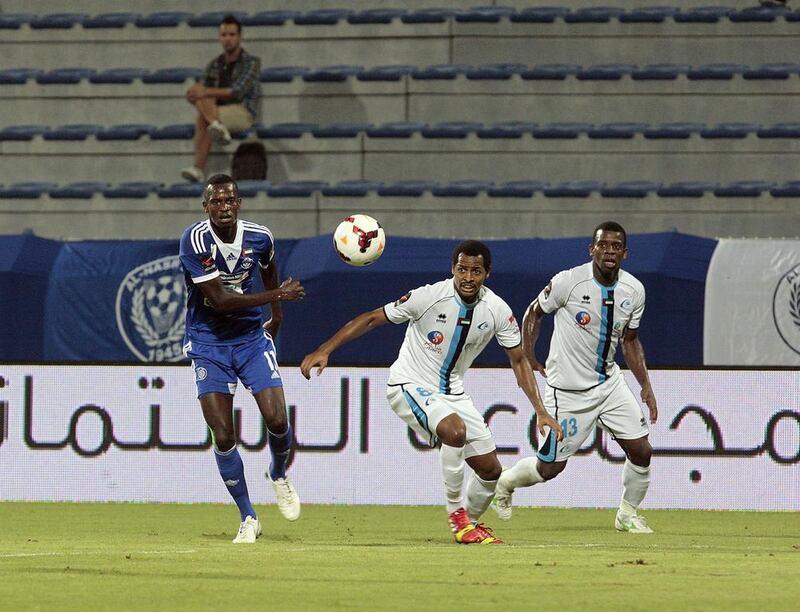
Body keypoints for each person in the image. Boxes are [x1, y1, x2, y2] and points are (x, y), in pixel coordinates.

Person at [300, 240, 563, 544]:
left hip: (453, 393)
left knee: (491, 470)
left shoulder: (497, 311)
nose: (467, 277)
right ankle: (458, 518)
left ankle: (471, 524)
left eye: (475, 271)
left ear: (487, 274)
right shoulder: (428, 296)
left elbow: (518, 360)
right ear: (453, 269)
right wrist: (325, 349)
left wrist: (540, 409)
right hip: (408, 384)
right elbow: (373, 318)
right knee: (454, 431)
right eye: (462, 269)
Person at [492, 221, 658, 533]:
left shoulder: (634, 290)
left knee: (642, 450)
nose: (609, 251)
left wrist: (645, 384)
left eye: (615, 246)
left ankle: (627, 514)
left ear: (625, 252)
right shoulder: (569, 281)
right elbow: (533, 313)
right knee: (550, 468)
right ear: (592, 250)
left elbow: (631, 340)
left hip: (609, 384)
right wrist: (528, 355)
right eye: (603, 245)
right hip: (567, 391)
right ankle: (506, 482)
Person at [178, 173, 305, 544]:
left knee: (277, 418)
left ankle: (279, 473)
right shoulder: (195, 239)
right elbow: (220, 299)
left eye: (229, 200)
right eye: (216, 202)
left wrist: (277, 315)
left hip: (251, 338)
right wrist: (277, 297)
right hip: (208, 342)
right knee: (222, 432)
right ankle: (248, 516)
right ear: (206, 207)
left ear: (239, 203)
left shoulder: (259, 236)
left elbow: (267, 267)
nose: (224, 207)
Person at [181, 14, 262, 183]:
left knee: (203, 117)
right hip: (217, 110)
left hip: (243, 111)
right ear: (219, 37)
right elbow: (202, 92)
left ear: (239, 37)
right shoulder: (214, 64)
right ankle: (216, 125)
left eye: (232, 35)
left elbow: (237, 91)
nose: (228, 39)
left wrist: (204, 92)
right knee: (199, 94)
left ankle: (198, 168)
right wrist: (195, 93)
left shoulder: (252, 62)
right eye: (224, 35)